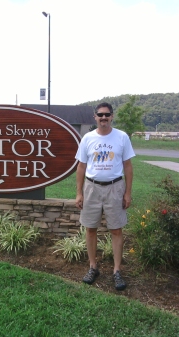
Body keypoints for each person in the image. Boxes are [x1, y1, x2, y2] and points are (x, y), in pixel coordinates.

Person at [75, 102, 135, 291]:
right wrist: (79, 192)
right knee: (90, 229)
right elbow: (81, 167)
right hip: (91, 188)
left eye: (107, 114)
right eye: (100, 115)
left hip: (115, 188)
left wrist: (128, 192)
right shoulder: (87, 138)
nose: (103, 118)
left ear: (112, 116)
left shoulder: (122, 137)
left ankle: (117, 270)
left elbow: (128, 166)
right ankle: (93, 267)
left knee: (116, 230)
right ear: (95, 117)